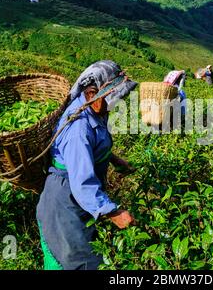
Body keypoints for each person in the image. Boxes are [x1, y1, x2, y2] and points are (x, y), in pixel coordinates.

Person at [36, 60, 138, 270]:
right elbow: (82, 184)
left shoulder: (95, 111)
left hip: (75, 199)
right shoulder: (78, 128)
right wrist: (114, 213)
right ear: (92, 93)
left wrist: (113, 158)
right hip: (64, 202)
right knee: (76, 261)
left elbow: (92, 145)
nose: (117, 104)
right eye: (113, 98)